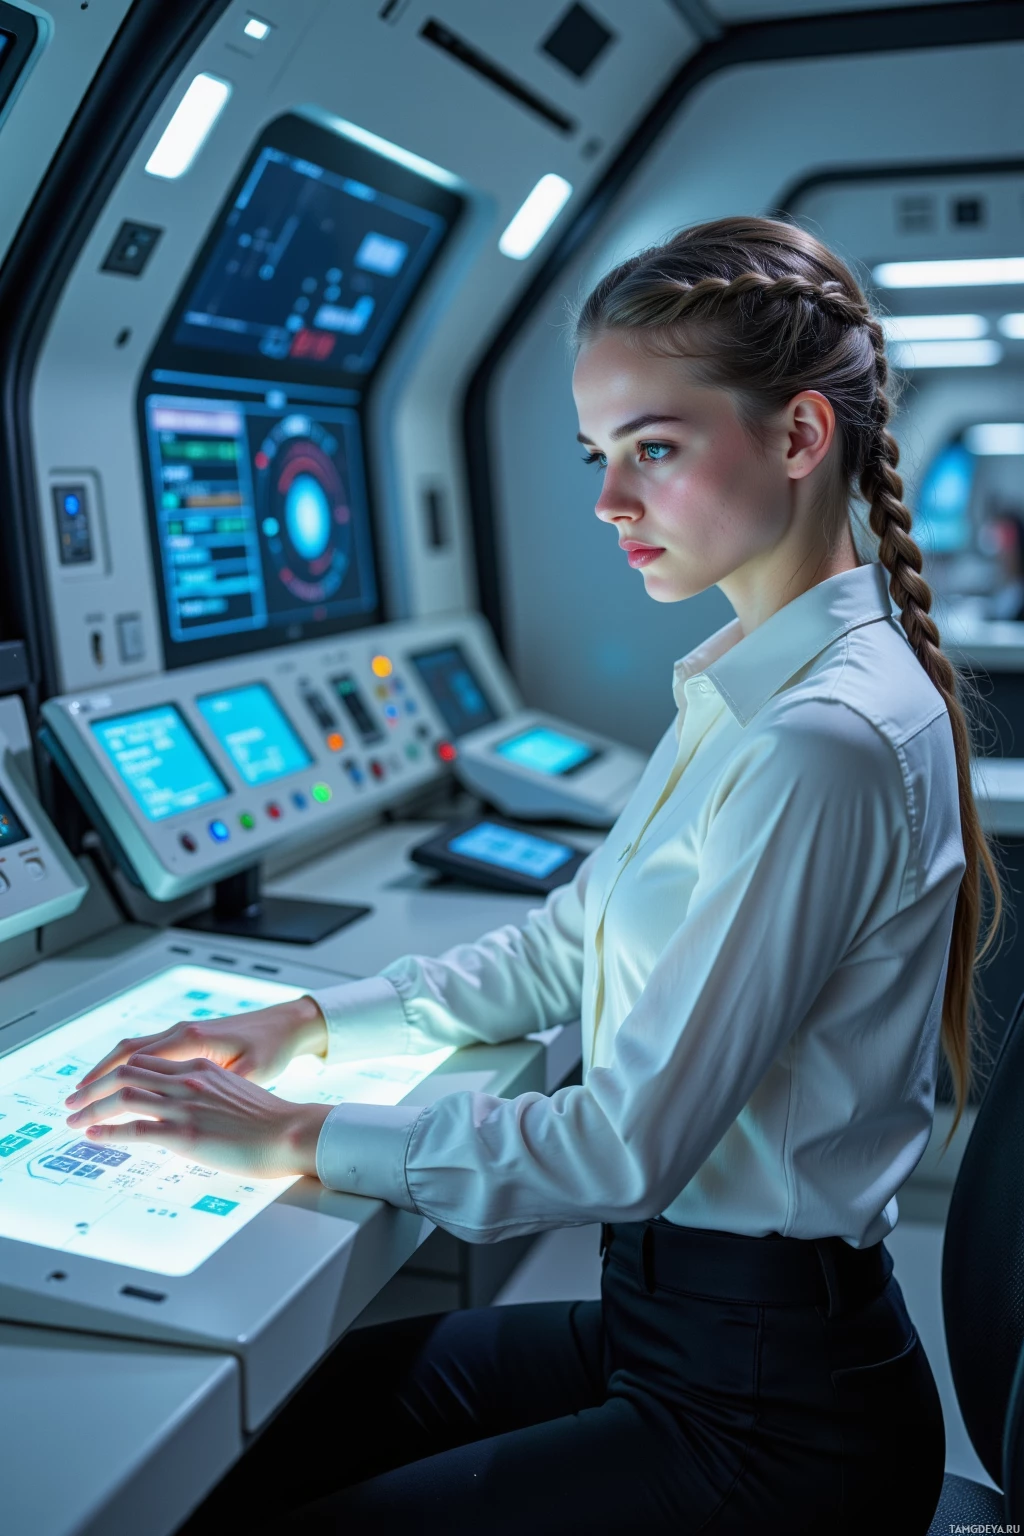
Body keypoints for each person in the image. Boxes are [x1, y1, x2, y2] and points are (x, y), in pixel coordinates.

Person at [64, 217, 1004, 1534]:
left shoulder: (819, 740)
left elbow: (623, 1146)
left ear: (799, 439)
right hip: (675, 1326)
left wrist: (294, 1134)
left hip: (774, 1415)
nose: (612, 502)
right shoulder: (745, 681)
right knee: (281, 1439)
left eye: (655, 450)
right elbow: (566, 944)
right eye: (600, 458)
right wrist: (305, 1022)